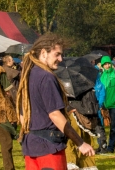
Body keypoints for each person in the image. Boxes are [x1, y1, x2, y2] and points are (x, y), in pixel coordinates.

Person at [16, 34, 94, 170]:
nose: (60, 59)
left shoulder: (27, 75)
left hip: (31, 146)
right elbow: (55, 115)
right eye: (57, 54)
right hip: (49, 148)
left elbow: (22, 115)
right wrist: (80, 143)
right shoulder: (46, 77)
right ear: (44, 53)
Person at [94, 55, 115, 153]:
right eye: (105, 64)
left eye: (108, 63)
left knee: (113, 128)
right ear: (102, 65)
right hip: (103, 106)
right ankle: (102, 146)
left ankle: (111, 148)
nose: (107, 66)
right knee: (100, 127)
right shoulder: (100, 76)